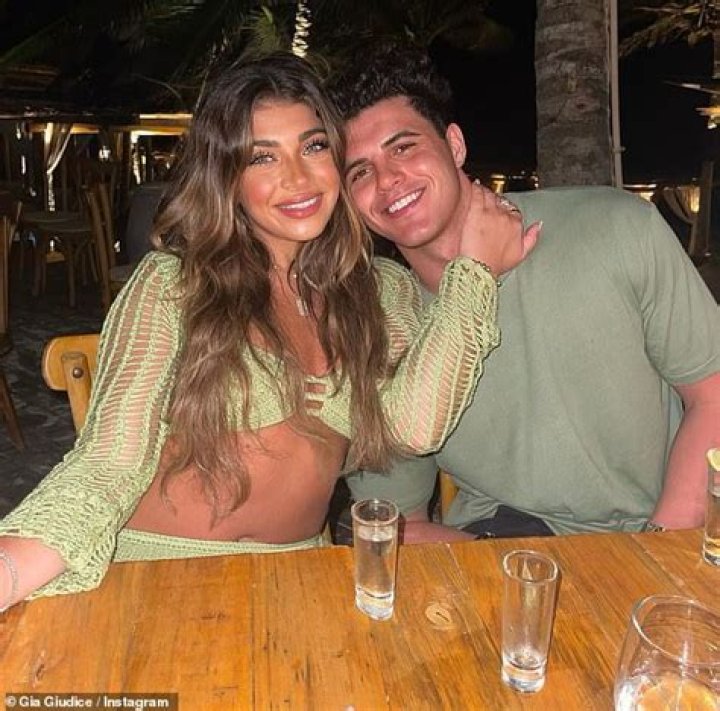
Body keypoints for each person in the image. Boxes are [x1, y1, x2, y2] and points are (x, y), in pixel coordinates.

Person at [0, 53, 537, 610]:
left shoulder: (380, 292)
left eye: (313, 147)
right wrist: (9, 571)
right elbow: (107, 464)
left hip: (298, 580)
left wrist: (474, 273)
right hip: (157, 574)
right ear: (227, 178)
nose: (297, 178)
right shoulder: (175, 285)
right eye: (262, 157)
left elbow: (414, 427)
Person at [330, 42, 720, 541]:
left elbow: (711, 397)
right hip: (500, 542)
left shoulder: (614, 229)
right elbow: (396, 523)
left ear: (454, 146)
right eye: (360, 172)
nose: (387, 180)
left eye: (403, 147)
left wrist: (656, 553)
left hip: (659, 530)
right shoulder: (382, 322)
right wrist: (509, 571)